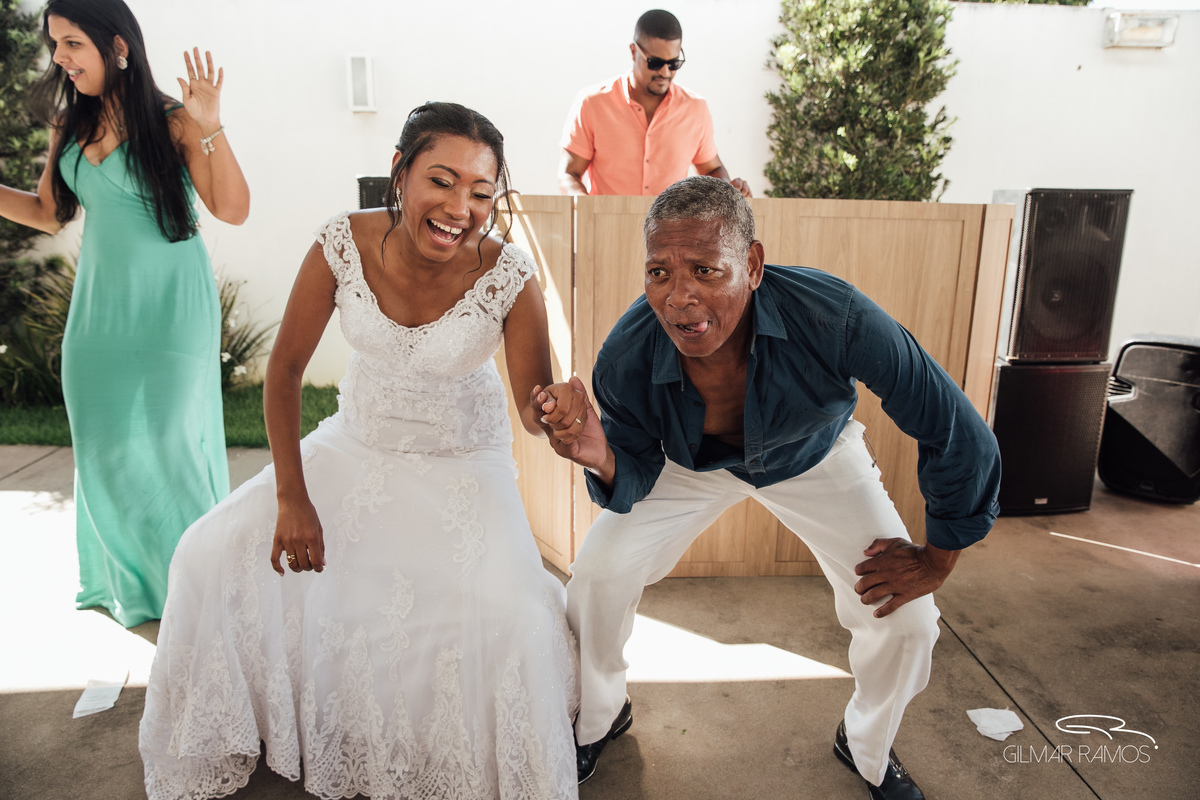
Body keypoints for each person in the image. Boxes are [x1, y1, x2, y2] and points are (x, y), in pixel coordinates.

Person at [139, 102, 580, 800]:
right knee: (206, 550)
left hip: (464, 461)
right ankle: (254, 720)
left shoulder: (510, 275)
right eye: (442, 180)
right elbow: (283, 371)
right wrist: (292, 496)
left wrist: (556, 409)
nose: (460, 207)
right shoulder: (339, 243)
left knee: (513, 614)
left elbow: (533, 405)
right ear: (400, 173)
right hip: (357, 443)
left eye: (480, 193)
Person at [535, 176, 1001, 799]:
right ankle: (599, 715)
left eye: (705, 269)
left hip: (814, 454)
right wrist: (603, 459)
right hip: (690, 464)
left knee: (911, 621)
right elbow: (637, 468)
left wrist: (939, 556)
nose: (679, 298)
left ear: (751, 264)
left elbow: (951, 423)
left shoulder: (833, 315)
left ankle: (865, 745)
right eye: (659, 273)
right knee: (595, 576)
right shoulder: (626, 356)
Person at [0, 0, 250, 628]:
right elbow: (50, 212)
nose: (59, 58)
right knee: (104, 447)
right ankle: (133, 581)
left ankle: (201, 583)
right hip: (98, 314)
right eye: (55, 44)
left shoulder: (176, 120)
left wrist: (211, 125)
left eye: (72, 43)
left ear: (117, 47)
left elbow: (233, 209)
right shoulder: (69, 124)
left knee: (169, 443)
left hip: (171, 308)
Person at [558, 9, 752, 199]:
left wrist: (728, 190)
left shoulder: (695, 108)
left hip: (671, 230)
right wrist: (586, 209)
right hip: (606, 226)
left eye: (674, 63)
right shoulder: (592, 104)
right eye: (655, 62)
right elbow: (569, 174)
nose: (665, 73)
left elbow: (712, 169)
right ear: (634, 52)